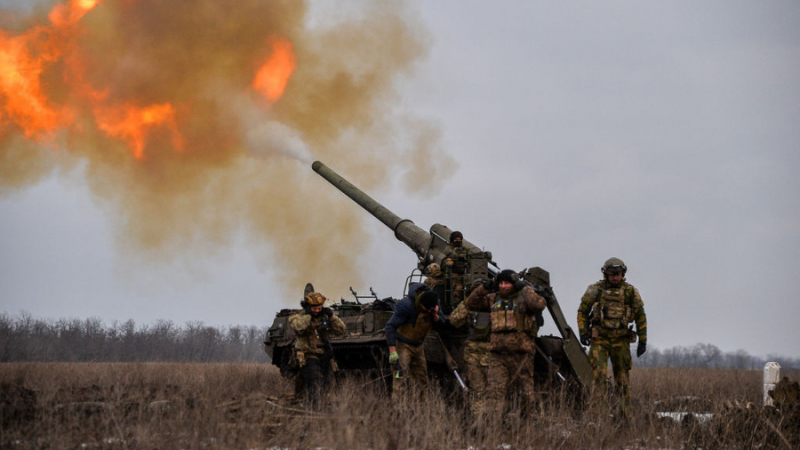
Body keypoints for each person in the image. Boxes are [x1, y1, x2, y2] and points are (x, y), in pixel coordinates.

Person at [463, 269, 547, 415]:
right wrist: (484, 287)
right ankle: (492, 427)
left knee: (525, 393)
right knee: (494, 393)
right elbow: (470, 304)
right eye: (500, 283)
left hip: (521, 354)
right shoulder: (493, 299)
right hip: (498, 355)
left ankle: (530, 423)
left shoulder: (524, 298)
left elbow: (539, 304)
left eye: (507, 283)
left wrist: (525, 288)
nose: (503, 286)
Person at [577, 257, 648, 420]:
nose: (615, 277)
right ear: (606, 274)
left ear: (623, 274)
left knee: (622, 380)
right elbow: (582, 311)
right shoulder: (596, 290)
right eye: (612, 274)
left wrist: (643, 340)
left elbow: (640, 316)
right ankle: (597, 418)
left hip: (621, 340)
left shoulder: (630, 292)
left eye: (618, 274)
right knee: (598, 378)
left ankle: (625, 418)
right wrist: (583, 332)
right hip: (599, 339)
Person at [385, 283, 445, 398]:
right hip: (403, 345)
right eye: (426, 309)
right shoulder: (406, 306)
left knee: (422, 380)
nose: (428, 312)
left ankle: (420, 410)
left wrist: (435, 315)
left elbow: (442, 324)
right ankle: (399, 410)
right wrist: (393, 351)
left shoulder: (435, 303)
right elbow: (390, 327)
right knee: (399, 377)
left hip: (419, 346)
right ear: (421, 305)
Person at [288, 291, 346, 409]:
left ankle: (320, 406)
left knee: (327, 383)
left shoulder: (325, 318)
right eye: (314, 308)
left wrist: (331, 316)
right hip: (307, 355)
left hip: (324, 356)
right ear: (308, 307)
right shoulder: (298, 317)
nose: (317, 311)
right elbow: (299, 328)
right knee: (314, 382)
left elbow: (341, 330)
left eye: (319, 308)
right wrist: (308, 316)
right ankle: (315, 409)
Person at [448, 281, 492, 419]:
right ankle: (489, 423)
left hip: (475, 355)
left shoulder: (470, 305)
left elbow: (454, 320)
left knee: (478, 392)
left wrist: (467, 304)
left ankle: (479, 423)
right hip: (491, 355)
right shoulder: (496, 305)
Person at [442, 231, 469, 307]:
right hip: (453, 274)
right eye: (456, 239)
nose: (458, 241)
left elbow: (470, 253)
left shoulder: (464, 249)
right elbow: (449, 253)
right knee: (458, 288)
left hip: (464, 273)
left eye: (459, 239)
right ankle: (455, 305)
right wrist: (458, 257)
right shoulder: (449, 248)